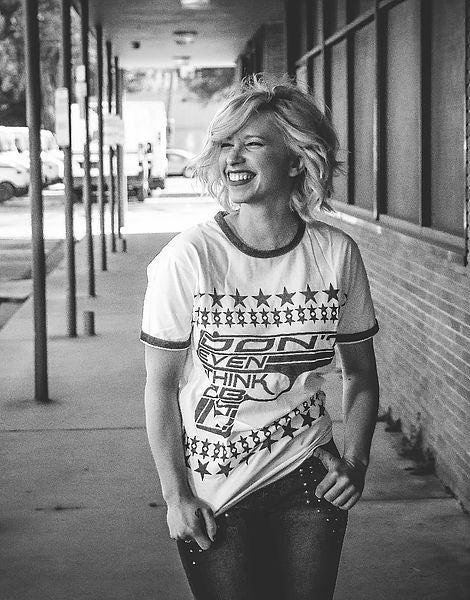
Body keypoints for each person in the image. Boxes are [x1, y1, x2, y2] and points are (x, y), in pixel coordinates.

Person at [140, 74, 380, 600]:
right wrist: (175, 494)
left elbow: (360, 374)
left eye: (252, 143)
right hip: (213, 487)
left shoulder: (335, 254)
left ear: (297, 159)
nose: (233, 158)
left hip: (310, 476)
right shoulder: (191, 257)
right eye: (226, 144)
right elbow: (160, 387)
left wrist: (357, 460)